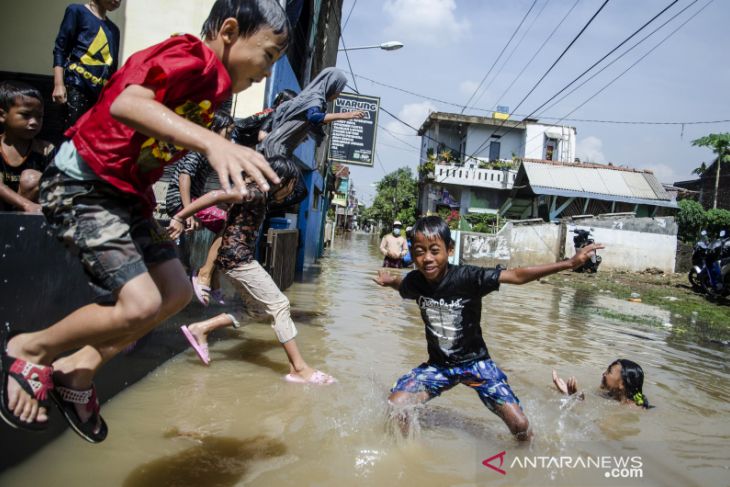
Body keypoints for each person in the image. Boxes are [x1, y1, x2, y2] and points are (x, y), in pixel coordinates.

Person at [0, 0, 289, 442]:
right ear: (229, 31)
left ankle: (78, 371)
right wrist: (211, 143)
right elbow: (126, 104)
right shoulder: (187, 55)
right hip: (82, 184)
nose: (268, 71)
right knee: (139, 303)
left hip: (127, 198)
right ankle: (29, 347)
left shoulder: (217, 90)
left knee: (175, 293)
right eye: (267, 55)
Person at [374, 216, 603, 440]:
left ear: (450, 250)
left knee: (520, 426)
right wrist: (389, 281)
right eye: (420, 252)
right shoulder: (416, 281)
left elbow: (516, 275)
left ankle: (523, 463)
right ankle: (407, 457)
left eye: (435, 250)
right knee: (396, 406)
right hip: (439, 366)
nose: (427, 259)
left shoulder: (468, 277)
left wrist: (570, 263)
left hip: (476, 363)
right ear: (412, 254)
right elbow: (403, 285)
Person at [169, 156, 336, 384]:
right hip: (238, 260)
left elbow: (230, 214)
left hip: (233, 260)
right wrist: (180, 216)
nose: (290, 191)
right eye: (290, 184)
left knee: (257, 311)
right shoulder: (255, 193)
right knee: (279, 305)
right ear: (280, 180)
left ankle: (201, 328)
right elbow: (215, 195)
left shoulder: (261, 196)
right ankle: (298, 368)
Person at [165, 111, 235, 307]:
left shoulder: (208, 149)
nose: (229, 138)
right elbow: (184, 176)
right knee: (227, 224)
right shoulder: (199, 146)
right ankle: (205, 275)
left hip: (192, 202)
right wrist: (188, 212)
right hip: (180, 201)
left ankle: (211, 277)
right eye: (227, 132)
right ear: (215, 128)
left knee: (230, 220)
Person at [52, 0, 123, 130]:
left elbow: (112, 68)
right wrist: (58, 85)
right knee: (71, 139)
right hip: (76, 87)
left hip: (99, 96)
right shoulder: (77, 11)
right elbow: (60, 49)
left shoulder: (114, 30)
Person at [0, 81, 56, 212]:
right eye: (26, 115)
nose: (34, 122)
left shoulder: (45, 150)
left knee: (32, 179)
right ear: (2, 115)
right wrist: (27, 205)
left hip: (27, 217)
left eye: (39, 117)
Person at [552, 359, 652, 408]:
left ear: (622, 384)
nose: (604, 374)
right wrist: (573, 395)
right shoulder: (609, 395)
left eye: (609, 372)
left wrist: (575, 398)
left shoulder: (633, 409)